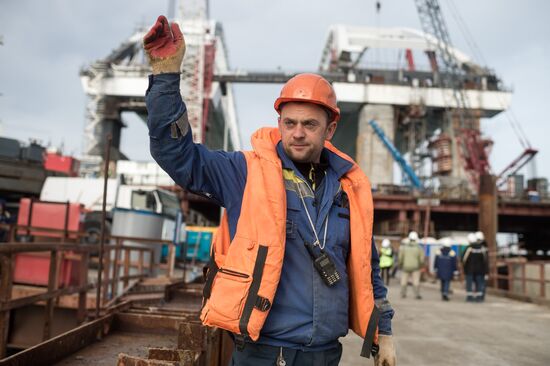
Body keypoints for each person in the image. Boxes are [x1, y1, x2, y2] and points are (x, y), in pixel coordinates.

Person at [143, 16, 395, 366]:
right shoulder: (245, 172)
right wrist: (166, 78)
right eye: (289, 123)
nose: (298, 133)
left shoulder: (348, 191)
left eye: (310, 125)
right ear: (279, 122)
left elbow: (367, 270)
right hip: (263, 352)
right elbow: (177, 155)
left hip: (324, 354)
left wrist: (385, 332)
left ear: (330, 129)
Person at [463, 232, 489, 302]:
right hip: (480, 270)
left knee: (470, 283)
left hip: (470, 270)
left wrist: (464, 269)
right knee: (479, 283)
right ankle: (479, 297)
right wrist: (486, 271)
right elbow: (486, 261)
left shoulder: (469, 248)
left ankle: (470, 297)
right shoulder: (483, 248)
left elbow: (464, 259)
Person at [398, 231, 424, 299]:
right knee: (416, 281)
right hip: (416, 267)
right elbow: (421, 259)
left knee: (404, 280)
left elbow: (400, 257)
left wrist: (400, 264)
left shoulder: (404, 247)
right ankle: (416, 294)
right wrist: (421, 265)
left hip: (405, 266)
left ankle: (403, 293)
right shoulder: (419, 248)